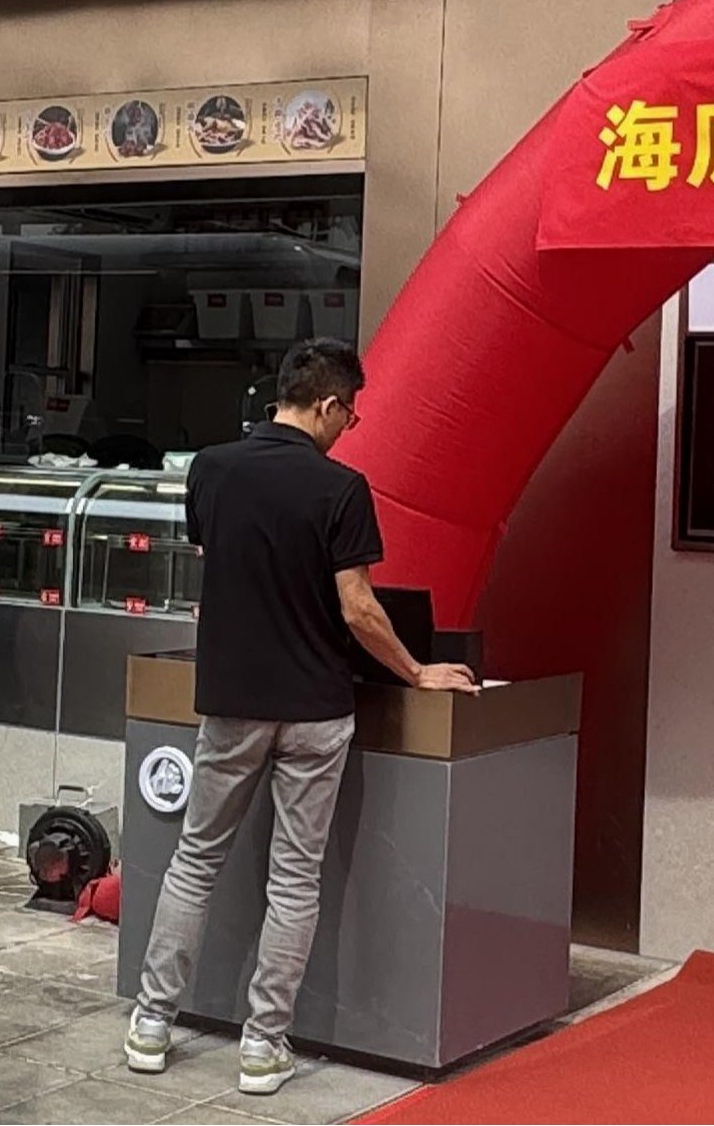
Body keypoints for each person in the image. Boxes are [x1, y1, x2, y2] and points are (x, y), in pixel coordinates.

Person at [122, 339, 477, 1096]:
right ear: (327, 405)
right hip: (316, 709)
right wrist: (417, 671)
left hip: (231, 702)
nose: (349, 427)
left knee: (195, 859)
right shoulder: (341, 489)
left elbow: (226, 563)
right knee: (294, 878)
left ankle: (151, 1023)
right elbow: (358, 608)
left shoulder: (211, 469)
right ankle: (262, 1046)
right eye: (351, 414)